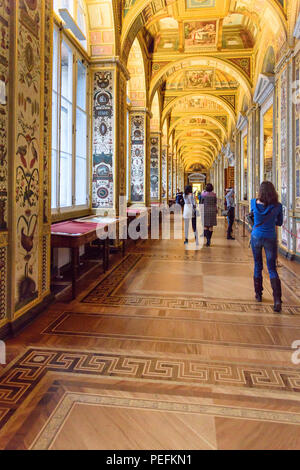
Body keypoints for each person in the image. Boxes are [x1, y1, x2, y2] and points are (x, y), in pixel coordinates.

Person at [250, 181, 283, 313]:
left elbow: (253, 216)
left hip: (256, 236)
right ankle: (277, 300)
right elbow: (279, 223)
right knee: (271, 268)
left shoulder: (253, 202)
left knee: (258, 264)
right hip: (270, 237)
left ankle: (258, 294)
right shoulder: (278, 206)